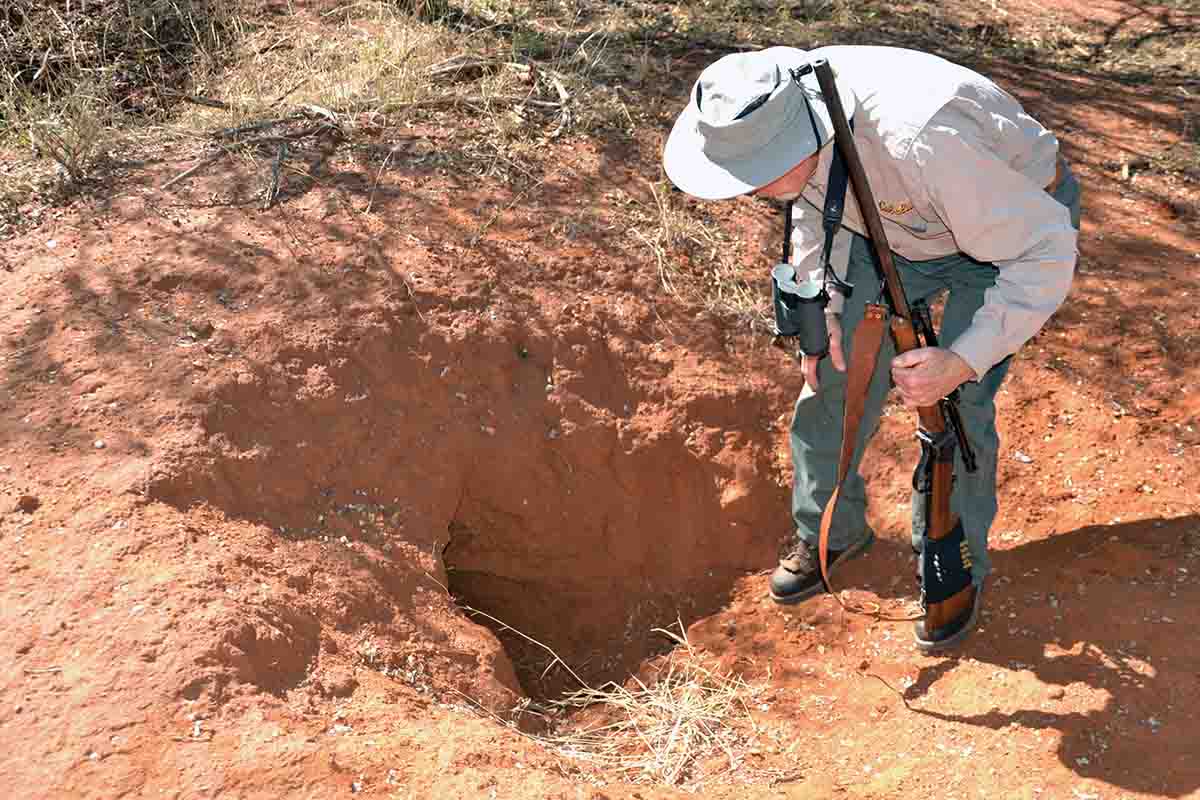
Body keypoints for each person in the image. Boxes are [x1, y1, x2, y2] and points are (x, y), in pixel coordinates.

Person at [662, 45, 1081, 650]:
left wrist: (960, 360)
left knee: (958, 406)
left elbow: (1043, 251)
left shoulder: (925, 140)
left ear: (802, 141)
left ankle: (954, 566)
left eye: (756, 173)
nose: (745, 191)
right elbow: (811, 206)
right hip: (887, 226)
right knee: (832, 376)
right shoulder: (793, 113)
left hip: (1006, 235)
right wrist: (822, 305)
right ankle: (831, 530)